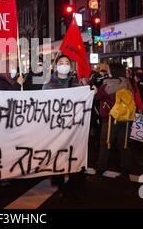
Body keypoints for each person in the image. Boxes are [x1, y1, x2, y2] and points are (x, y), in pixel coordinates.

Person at [43, 55, 86, 199]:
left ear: (71, 66)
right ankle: (60, 185)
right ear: (56, 66)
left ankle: (75, 185)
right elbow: (43, 103)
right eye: (61, 62)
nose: (64, 65)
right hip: (56, 126)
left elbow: (83, 101)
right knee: (59, 155)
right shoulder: (48, 83)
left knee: (74, 155)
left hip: (73, 127)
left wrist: (90, 90)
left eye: (67, 62)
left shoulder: (77, 82)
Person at [94, 63, 134, 180]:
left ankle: (101, 167)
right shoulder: (128, 83)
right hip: (126, 118)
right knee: (124, 144)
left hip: (110, 117)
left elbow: (98, 96)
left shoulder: (109, 83)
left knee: (106, 142)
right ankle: (125, 170)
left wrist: (96, 90)